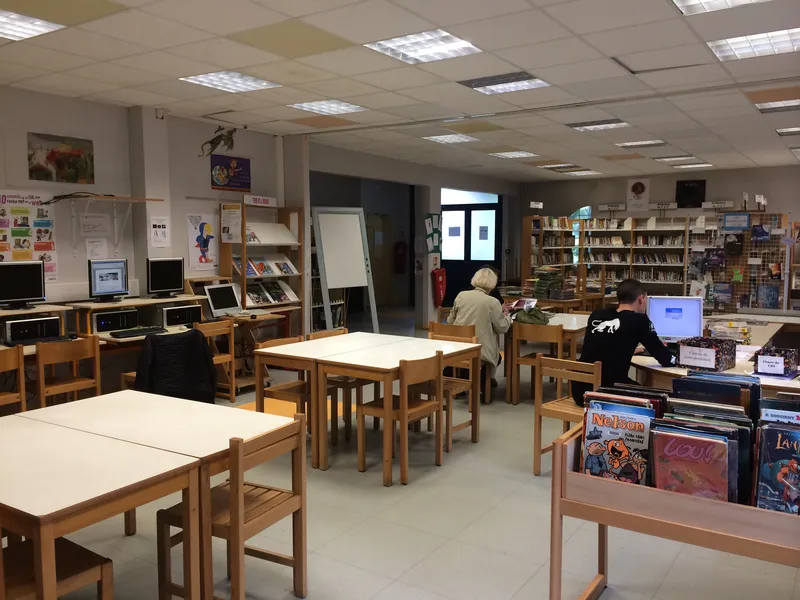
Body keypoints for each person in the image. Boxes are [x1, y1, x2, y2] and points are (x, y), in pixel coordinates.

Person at [571, 279, 675, 406]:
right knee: (659, 399)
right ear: (641, 299)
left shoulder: (597, 314)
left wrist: (629, 348)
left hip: (580, 391)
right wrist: (680, 359)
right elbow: (664, 357)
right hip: (606, 393)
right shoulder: (639, 320)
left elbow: (605, 344)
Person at [448, 267, 512, 392]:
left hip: (460, 347)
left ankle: (464, 378)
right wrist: (507, 315)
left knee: (469, 356)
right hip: (480, 349)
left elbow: (451, 321)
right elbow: (502, 327)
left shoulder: (461, 295)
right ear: (493, 284)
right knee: (497, 357)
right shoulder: (492, 302)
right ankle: (483, 383)